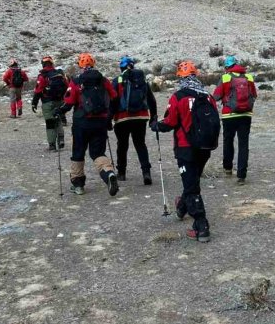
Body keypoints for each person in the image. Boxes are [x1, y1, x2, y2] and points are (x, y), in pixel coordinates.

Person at [154, 61, 220, 242]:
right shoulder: (207, 96)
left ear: (180, 78)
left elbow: (170, 122)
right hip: (205, 147)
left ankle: (201, 225)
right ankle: (182, 207)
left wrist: (156, 126)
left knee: (192, 187)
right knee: (192, 181)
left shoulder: (178, 97)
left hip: (185, 147)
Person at [58, 53, 119, 196]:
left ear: (80, 65)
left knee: (78, 152)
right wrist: (109, 117)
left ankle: (78, 185)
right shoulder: (103, 80)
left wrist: (59, 111)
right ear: (93, 64)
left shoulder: (76, 81)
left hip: (81, 123)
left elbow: (69, 102)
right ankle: (108, 173)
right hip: (100, 122)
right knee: (98, 153)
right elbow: (114, 97)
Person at [212, 55, 257, 184]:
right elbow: (254, 95)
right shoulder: (248, 77)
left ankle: (228, 168)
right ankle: (241, 175)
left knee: (228, 140)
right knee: (243, 144)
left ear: (227, 67)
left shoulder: (225, 77)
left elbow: (216, 96)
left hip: (229, 115)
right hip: (246, 114)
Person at [112, 56, 157, 185]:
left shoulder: (117, 80)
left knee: (122, 145)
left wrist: (108, 119)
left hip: (122, 118)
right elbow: (151, 100)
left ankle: (121, 173)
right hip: (141, 117)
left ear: (121, 68)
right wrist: (153, 117)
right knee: (140, 144)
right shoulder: (141, 80)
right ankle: (146, 172)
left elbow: (113, 101)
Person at [31, 56, 68, 151]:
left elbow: (38, 90)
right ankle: (61, 139)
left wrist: (34, 103)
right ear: (52, 63)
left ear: (43, 64)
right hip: (60, 101)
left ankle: (52, 145)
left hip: (47, 102)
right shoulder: (59, 74)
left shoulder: (43, 75)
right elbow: (67, 86)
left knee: (50, 123)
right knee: (58, 120)